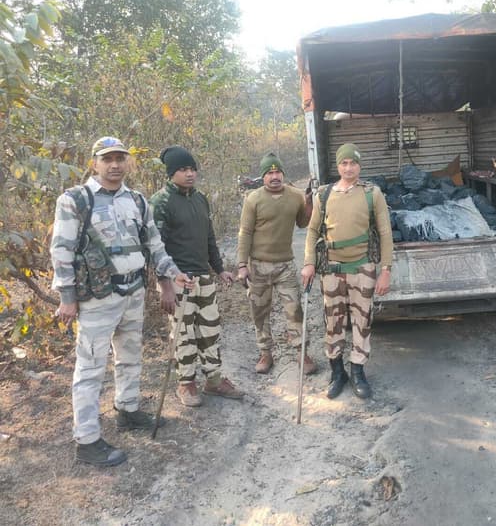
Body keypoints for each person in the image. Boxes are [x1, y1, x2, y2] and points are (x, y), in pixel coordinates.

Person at [51, 136, 193, 467]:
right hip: (97, 298)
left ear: (127, 162)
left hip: (133, 293)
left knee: (129, 357)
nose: (115, 164)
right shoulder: (75, 200)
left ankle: (128, 411)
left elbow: (154, 246)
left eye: (120, 158)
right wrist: (67, 297)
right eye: (107, 159)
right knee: (90, 369)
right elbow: (61, 250)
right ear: (94, 163)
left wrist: (173, 273)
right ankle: (87, 440)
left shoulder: (138, 201)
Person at [150, 146, 245, 407]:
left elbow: (209, 236)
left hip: (204, 278)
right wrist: (165, 286)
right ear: (171, 173)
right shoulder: (161, 202)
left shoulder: (200, 198)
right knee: (184, 335)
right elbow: (156, 248)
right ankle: (186, 383)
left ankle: (214, 380)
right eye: (183, 169)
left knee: (210, 331)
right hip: (179, 280)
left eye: (192, 169)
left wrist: (219, 269)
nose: (190, 174)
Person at [301, 142, 393, 400]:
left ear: (359, 166)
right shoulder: (324, 194)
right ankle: (337, 372)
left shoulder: (372, 193)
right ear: (338, 165)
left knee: (362, 321)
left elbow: (385, 233)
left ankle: (358, 372)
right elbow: (312, 230)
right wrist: (309, 262)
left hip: (362, 267)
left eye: (353, 163)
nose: (348, 168)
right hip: (331, 268)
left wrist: (385, 270)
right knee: (333, 321)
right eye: (344, 163)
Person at [236, 153, 315, 375]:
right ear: (263, 177)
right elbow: (245, 232)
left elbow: (303, 223)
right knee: (259, 312)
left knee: (294, 310)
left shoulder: (295, 196)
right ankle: (265, 353)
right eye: (269, 173)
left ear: (283, 173)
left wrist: (309, 204)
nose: (274, 176)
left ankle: (301, 352)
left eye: (278, 172)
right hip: (258, 266)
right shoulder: (253, 199)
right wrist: (242, 265)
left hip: (285, 266)